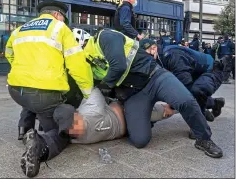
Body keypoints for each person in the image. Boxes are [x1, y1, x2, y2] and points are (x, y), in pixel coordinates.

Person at [74, 28, 223, 158]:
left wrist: (105, 84)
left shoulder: (104, 36)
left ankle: (204, 139)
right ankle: (150, 117)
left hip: (155, 76)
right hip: (135, 93)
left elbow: (118, 66)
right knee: (140, 140)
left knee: (185, 100)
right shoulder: (86, 63)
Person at [5, 0, 94, 178]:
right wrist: (88, 92)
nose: (63, 21)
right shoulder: (60, 29)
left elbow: (8, 53)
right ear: (56, 15)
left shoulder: (20, 29)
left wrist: (24, 72)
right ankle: (39, 146)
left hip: (15, 90)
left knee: (30, 99)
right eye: (63, 18)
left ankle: (24, 129)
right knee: (62, 132)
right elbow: (77, 66)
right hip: (43, 96)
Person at [140, 39, 226, 138]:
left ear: (154, 48)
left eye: (146, 56)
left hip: (212, 70)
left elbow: (185, 88)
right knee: (191, 92)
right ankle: (215, 103)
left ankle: (198, 127)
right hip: (194, 72)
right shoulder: (158, 58)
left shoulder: (173, 56)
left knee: (196, 91)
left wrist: (171, 106)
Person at [51, 88, 176, 144]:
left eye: (74, 124)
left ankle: (178, 104)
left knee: (166, 111)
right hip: (126, 130)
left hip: (126, 112)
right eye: (68, 129)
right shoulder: (72, 138)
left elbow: (94, 90)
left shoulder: (91, 111)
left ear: (78, 114)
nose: (73, 130)